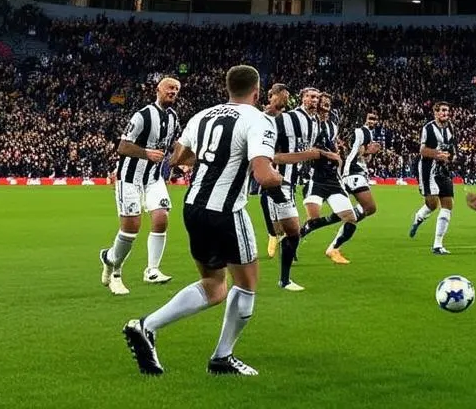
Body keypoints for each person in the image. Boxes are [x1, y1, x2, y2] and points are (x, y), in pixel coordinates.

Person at [121, 64, 285, 377]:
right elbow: (264, 176)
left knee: (214, 285)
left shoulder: (203, 115)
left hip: (193, 207)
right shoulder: (259, 119)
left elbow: (177, 159)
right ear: (257, 91)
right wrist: (280, 182)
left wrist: (215, 160)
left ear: (228, 89)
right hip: (226, 212)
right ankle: (222, 358)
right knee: (247, 285)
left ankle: (146, 326)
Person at [100, 76, 181, 295]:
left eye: (176, 89)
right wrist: (146, 153)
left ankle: (152, 270)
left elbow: (174, 144)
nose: (173, 92)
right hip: (130, 179)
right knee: (131, 227)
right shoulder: (143, 115)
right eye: (169, 88)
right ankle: (113, 267)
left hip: (154, 179)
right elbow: (123, 146)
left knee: (161, 218)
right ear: (158, 89)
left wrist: (187, 157)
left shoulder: (174, 117)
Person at [260, 83, 319, 292]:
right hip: (279, 182)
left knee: (290, 232)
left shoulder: (316, 122)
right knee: (293, 231)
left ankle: (283, 278)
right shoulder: (286, 119)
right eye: (310, 96)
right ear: (302, 98)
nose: (314, 100)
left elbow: (309, 151)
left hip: (291, 183)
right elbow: (270, 153)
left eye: (316, 97)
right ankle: (284, 280)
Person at [297, 93, 355, 264]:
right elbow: (308, 148)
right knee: (313, 220)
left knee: (350, 219)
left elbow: (332, 142)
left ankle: (333, 249)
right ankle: (294, 239)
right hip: (314, 177)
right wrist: (330, 154)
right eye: (323, 101)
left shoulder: (332, 123)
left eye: (329, 101)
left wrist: (337, 155)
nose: (327, 103)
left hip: (332, 178)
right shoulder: (310, 123)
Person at [409, 101, 455, 255]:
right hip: (428, 170)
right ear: (435, 112)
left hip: (442, 170)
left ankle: (438, 245)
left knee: (448, 205)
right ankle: (419, 217)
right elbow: (422, 150)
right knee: (432, 204)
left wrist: (451, 157)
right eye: (442, 110)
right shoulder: (428, 128)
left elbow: (451, 147)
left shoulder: (450, 128)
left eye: (447, 110)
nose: (445, 113)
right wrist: (438, 154)